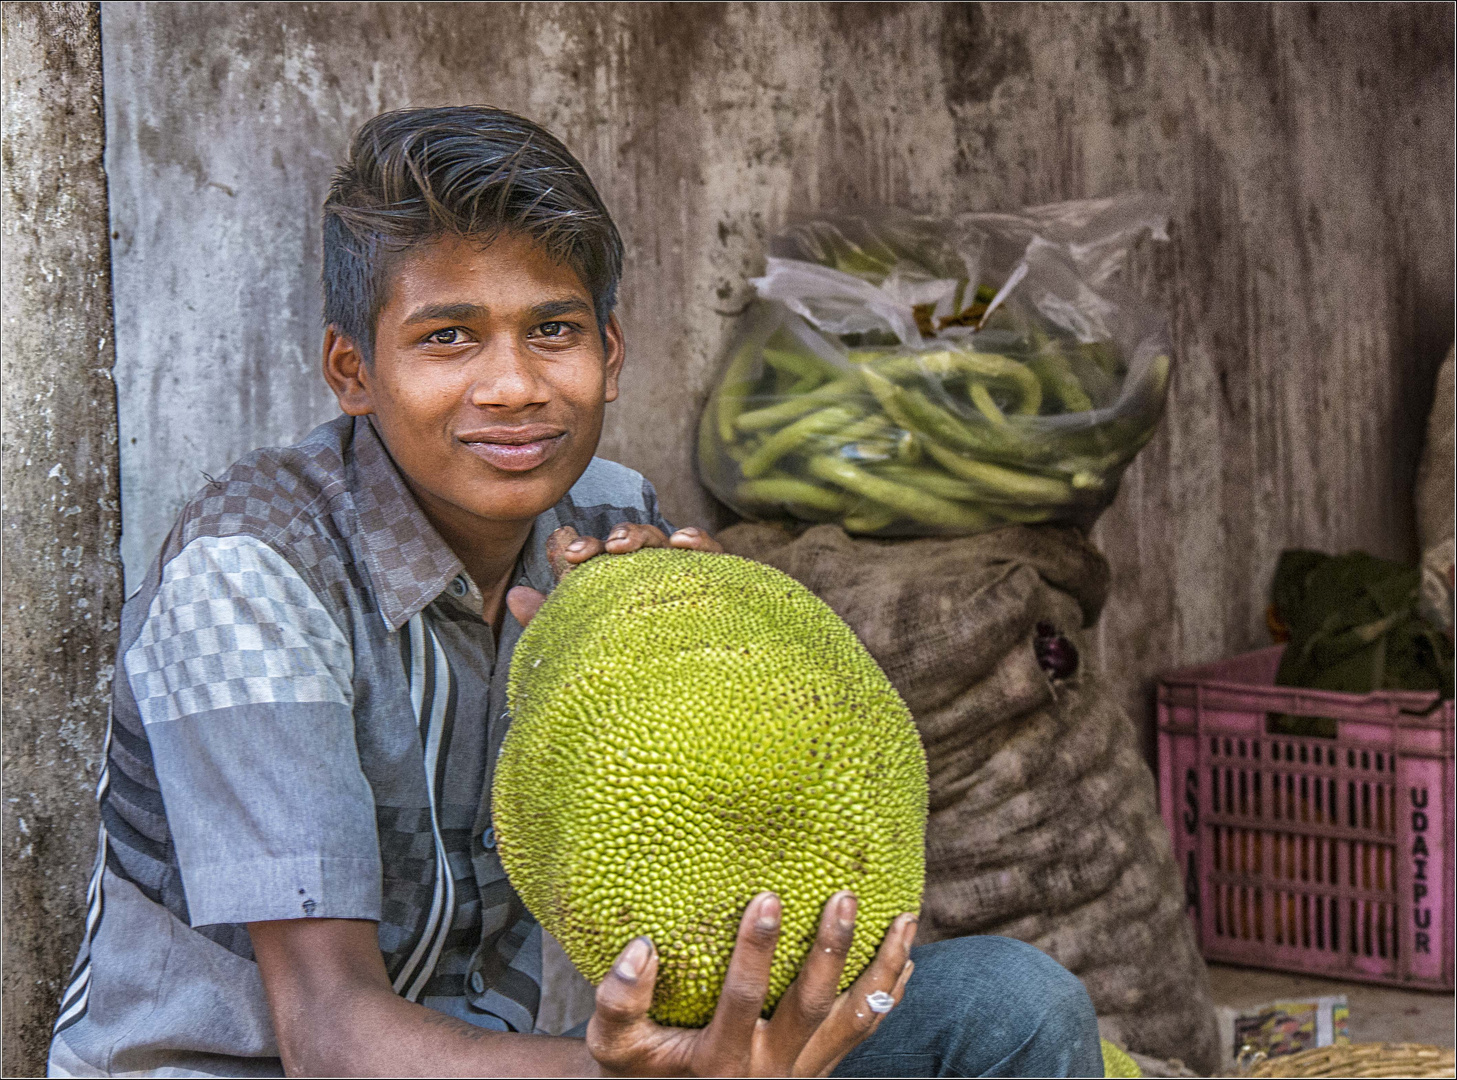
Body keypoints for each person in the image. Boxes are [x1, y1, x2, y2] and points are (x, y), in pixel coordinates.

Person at [47, 106, 1103, 1078]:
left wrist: (717, 651)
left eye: (551, 330)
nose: (512, 386)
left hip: (517, 1063)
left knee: (1007, 1009)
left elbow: (689, 862)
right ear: (351, 369)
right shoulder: (252, 573)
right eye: (447, 337)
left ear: (609, 353)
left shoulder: (604, 528)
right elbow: (325, 1030)